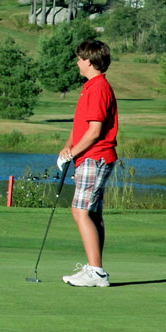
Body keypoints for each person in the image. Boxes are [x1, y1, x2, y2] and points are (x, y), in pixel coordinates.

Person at [59, 39, 119, 288]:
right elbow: (81, 126)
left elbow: (94, 132)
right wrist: (67, 147)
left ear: (91, 62)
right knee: (92, 213)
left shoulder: (98, 88)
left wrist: (72, 153)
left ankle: (96, 271)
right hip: (91, 157)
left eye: (80, 58)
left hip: (95, 156)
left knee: (80, 210)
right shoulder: (90, 87)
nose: (77, 62)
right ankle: (95, 268)